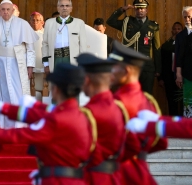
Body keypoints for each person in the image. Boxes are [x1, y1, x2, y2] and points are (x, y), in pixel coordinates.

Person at [0, 63, 94, 185]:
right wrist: (7, 109)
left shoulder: (58, 118)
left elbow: (15, 135)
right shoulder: (77, 114)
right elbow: (43, 114)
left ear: (57, 89)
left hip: (59, 180)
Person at [108, 41, 167, 185]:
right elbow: (161, 143)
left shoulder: (113, 102)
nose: (110, 72)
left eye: (113, 68)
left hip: (117, 174)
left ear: (126, 71)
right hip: (141, 173)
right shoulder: (148, 102)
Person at [0, 0, 38, 128]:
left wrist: (30, 66)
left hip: (17, 64)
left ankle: (19, 125)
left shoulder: (23, 24)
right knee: (2, 94)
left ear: (13, 10)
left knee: (17, 93)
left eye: (8, 9)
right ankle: (2, 125)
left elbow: (31, 49)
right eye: (3, 9)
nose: (5, 12)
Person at [77, 53, 126, 185]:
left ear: (86, 80)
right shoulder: (120, 107)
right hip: (116, 177)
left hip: (93, 178)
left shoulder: (90, 112)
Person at [106, 0, 161, 94]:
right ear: (134, 10)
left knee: (146, 96)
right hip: (130, 66)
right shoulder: (127, 23)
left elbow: (157, 49)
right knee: (129, 94)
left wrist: (158, 69)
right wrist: (122, 9)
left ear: (146, 10)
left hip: (147, 67)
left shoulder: (153, 26)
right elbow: (110, 21)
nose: (140, 11)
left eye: (142, 8)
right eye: (137, 8)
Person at [42, 0, 87, 75]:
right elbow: (45, 44)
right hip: (55, 59)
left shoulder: (79, 23)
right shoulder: (49, 23)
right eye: (62, 6)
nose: (64, 8)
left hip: (72, 59)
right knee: (56, 84)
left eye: (67, 6)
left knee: (72, 84)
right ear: (58, 8)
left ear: (71, 8)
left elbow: (83, 45)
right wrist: (46, 64)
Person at [158, 22, 183, 115]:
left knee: (184, 103)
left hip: (183, 78)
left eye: (179, 29)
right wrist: (160, 78)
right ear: (172, 31)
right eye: (175, 29)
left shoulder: (186, 44)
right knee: (171, 102)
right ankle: (174, 124)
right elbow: (161, 62)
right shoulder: (166, 45)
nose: (176, 31)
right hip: (169, 79)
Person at [175, 6, 192, 117]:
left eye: (189, 17)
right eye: (185, 17)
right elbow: (178, 57)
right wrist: (178, 74)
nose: (187, 20)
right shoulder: (180, 36)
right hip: (187, 74)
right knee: (188, 102)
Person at [29, 12, 45, 98]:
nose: (35, 22)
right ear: (30, 22)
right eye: (33, 20)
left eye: (37, 20)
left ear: (42, 22)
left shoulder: (46, 35)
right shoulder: (26, 35)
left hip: (42, 67)